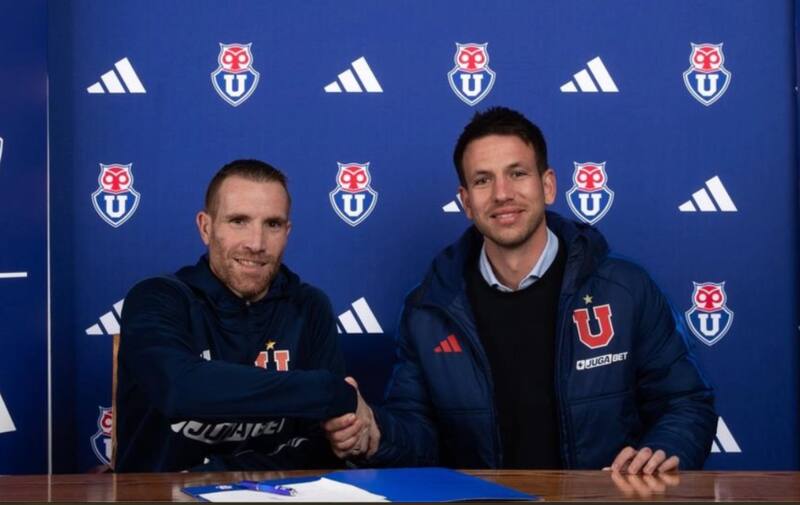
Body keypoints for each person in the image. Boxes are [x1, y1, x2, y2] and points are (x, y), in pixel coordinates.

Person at [324, 107, 717, 473]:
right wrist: (374, 433)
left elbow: (685, 404)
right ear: (465, 201)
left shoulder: (626, 289)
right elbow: (419, 436)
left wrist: (663, 452)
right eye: (482, 180)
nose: (501, 194)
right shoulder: (428, 309)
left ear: (548, 185)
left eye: (517, 174)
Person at [116, 159, 370, 472]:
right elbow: (179, 389)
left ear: (287, 232)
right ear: (206, 227)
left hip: (279, 494)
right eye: (239, 221)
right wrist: (328, 390)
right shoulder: (158, 298)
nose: (256, 243)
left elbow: (323, 443)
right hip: (162, 497)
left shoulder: (309, 305)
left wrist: (223, 476)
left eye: (272, 224)